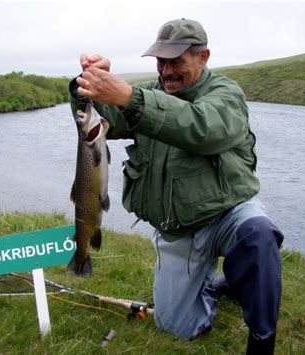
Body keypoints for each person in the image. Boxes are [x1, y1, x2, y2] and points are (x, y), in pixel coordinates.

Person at [69, 18, 284, 355]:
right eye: (160, 61)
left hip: (227, 216)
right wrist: (87, 85)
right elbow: (98, 119)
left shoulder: (226, 94)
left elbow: (204, 128)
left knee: (259, 235)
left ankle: (261, 338)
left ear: (203, 56)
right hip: (178, 230)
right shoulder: (149, 94)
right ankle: (218, 286)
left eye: (176, 61)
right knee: (176, 327)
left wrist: (132, 97)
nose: (166, 71)